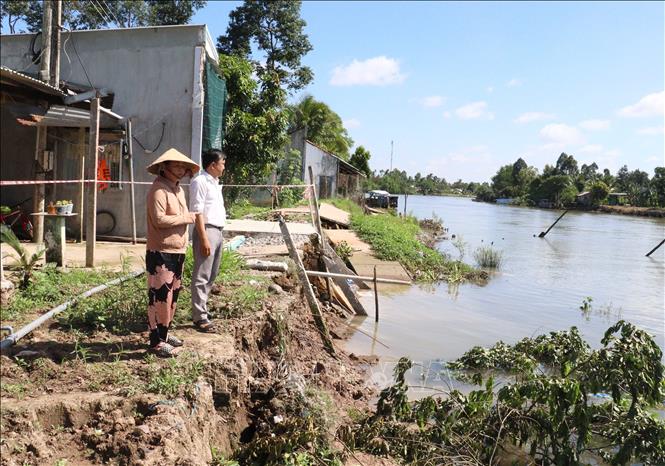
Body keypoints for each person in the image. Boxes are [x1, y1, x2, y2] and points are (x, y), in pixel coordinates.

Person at [145, 148, 200, 357]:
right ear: (164, 167)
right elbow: (159, 220)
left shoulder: (178, 190)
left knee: (172, 295)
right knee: (159, 297)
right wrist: (187, 218)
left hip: (178, 250)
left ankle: (165, 334)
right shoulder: (158, 190)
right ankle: (156, 342)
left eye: (182, 166)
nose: (180, 169)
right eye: (175, 165)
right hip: (161, 251)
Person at [189, 148, 227, 332]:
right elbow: (197, 212)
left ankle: (202, 308)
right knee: (202, 274)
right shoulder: (200, 181)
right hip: (207, 230)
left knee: (212, 273)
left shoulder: (214, 182)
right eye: (222, 163)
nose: (224, 167)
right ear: (212, 165)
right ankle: (199, 317)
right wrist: (204, 238)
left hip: (218, 230)